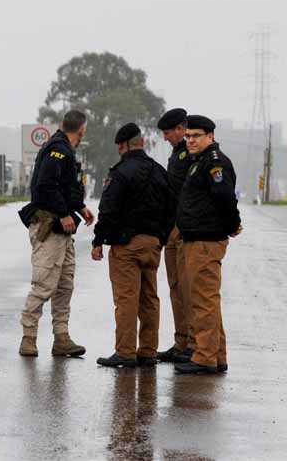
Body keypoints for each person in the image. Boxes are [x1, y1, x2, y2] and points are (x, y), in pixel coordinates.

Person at [91, 123, 175, 368]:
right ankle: (148, 350)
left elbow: (108, 209)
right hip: (153, 244)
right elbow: (172, 208)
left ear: (124, 145)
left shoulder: (120, 172)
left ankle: (125, 352)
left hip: (126, 246)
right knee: (149, 298)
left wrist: (98, 240)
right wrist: (161, 236)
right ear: (142, 143)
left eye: (119, 146)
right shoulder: (159, 171)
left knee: (127, 298)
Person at [17, 110, 95, 357]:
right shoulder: (58, 149)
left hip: (62, 231)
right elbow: (46, 185)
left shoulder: (66, 150)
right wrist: (63, 213)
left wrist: (80, 208)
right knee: (43, 285)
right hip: (49, 226)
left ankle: (61, 338)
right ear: (82, 129)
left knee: (64, 286)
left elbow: (66, 187)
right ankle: (28, 338)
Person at [174, 115, 242, 374]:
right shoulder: (199, 162)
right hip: (196, 237)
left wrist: (232, 225)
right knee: (207, 301)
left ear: (210, 136)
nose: (190, 140)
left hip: (206, 240)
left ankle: (204, 357)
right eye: (188, 136)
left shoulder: (214, 163)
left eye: (196, 136)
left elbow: (225, 198)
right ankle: (217, 355)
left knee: (203, 301)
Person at [155, 108, 195, 364]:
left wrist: (179, 226)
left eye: (169, 132)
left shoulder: (190, 154)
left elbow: (188, 195)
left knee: (188, 291)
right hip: (171, 232)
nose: (166, 137)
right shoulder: (176, 154)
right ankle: (181, 342)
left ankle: (193, 344)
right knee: (175, 290)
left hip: (183, 231)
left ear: (181, 129)